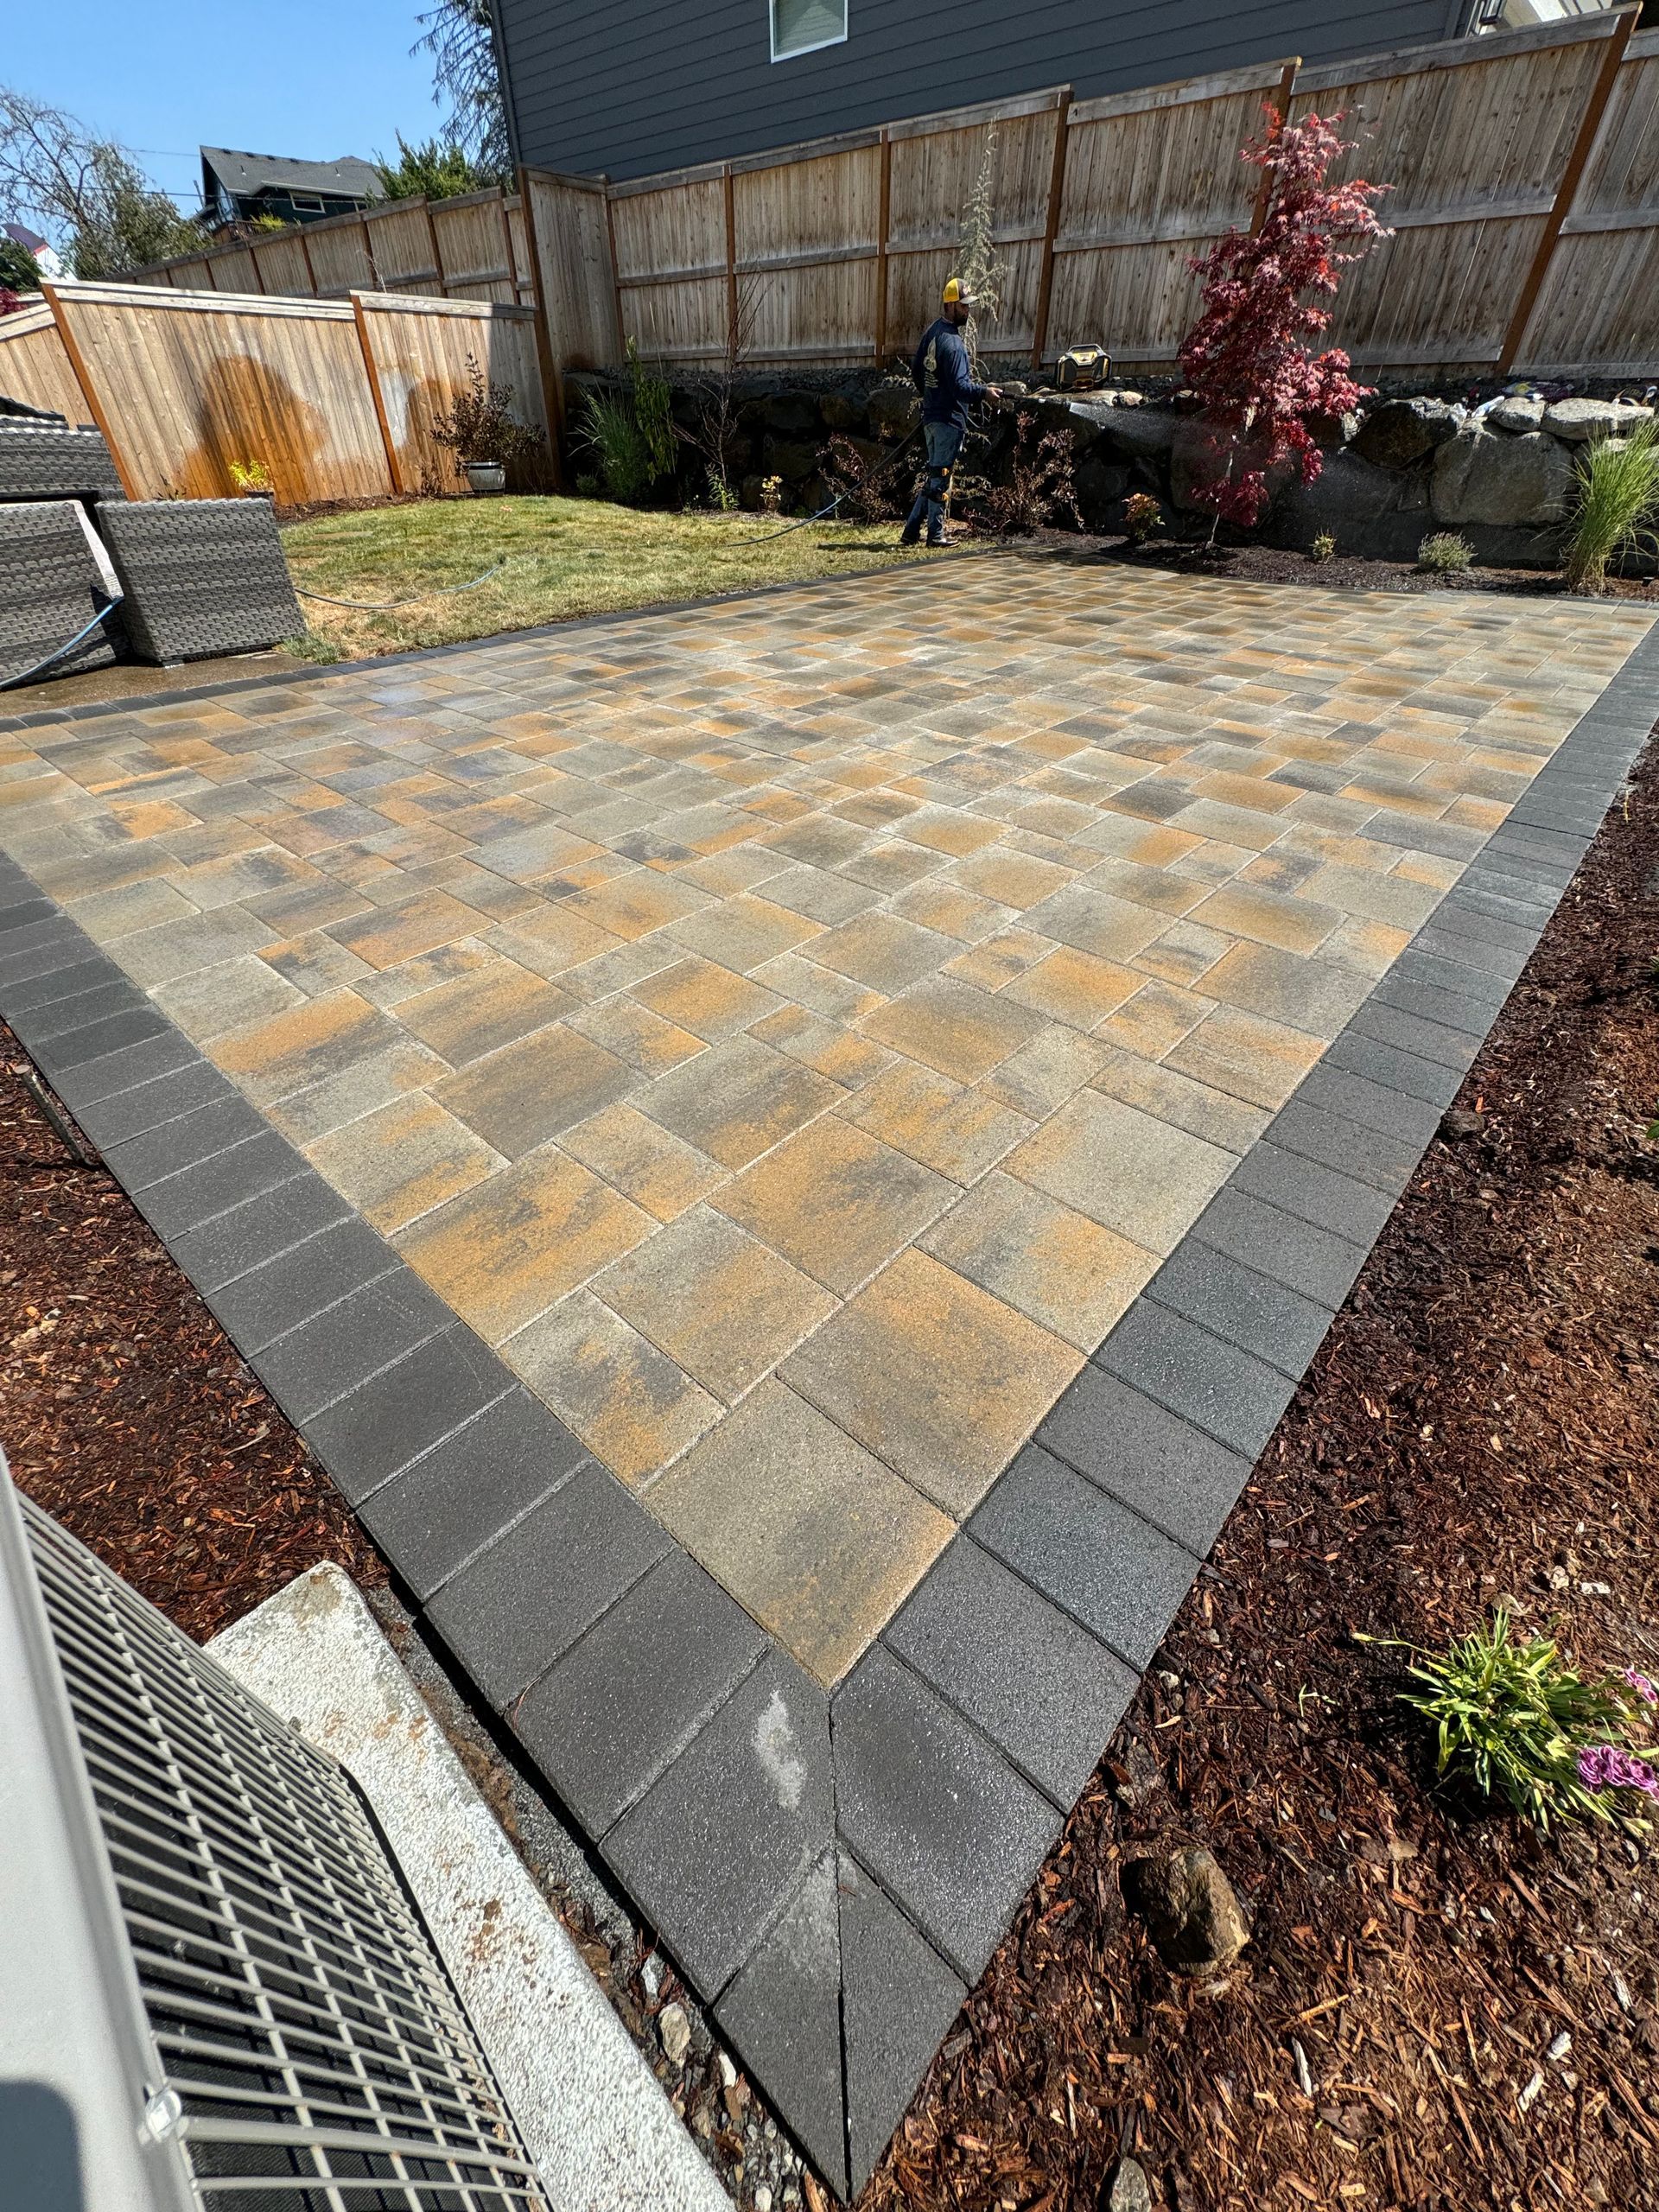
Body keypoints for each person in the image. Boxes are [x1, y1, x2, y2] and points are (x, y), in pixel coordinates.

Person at [900, 277, 1001, 547]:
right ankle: (935, 535)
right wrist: (984, 393)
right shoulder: (954, 344)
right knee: (941, 478)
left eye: (968, 306)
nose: (968, 311)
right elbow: (960, 387)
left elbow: (917, 371)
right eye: (964, 306)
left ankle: (910, 531)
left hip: (932, 417)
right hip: (948, 421)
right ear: (951, 304)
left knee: (934, 474)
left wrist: (930, 398)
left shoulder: (932, 332)